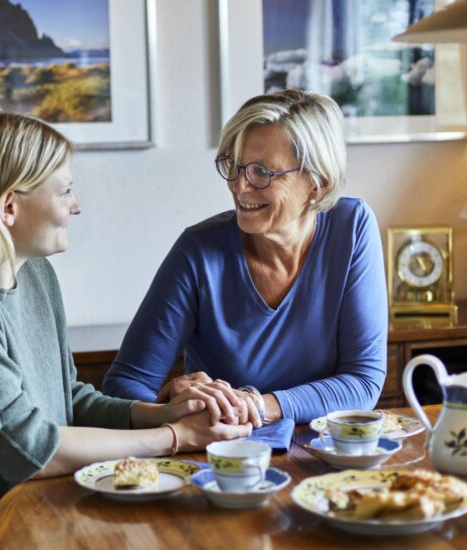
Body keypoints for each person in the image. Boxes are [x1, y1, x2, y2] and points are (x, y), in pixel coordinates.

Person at [0, 108, 252, 549]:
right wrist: (175, 437)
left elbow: (68, 399)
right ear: (10, 206)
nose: (76, 206)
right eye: (66, 191)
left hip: (51, 519)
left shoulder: (35, 273)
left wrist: (163, 413)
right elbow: (26, 448)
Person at [102, 89, 388, 426]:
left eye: (261, 173)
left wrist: (258, 405)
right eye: (234, 167)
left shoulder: (352, 227)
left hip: (321, 453)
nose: (239, 186)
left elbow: (363, 381)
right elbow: (122, 387)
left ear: (317, 184)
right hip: (223, 460)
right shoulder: (198, 251)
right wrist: (170, 405)